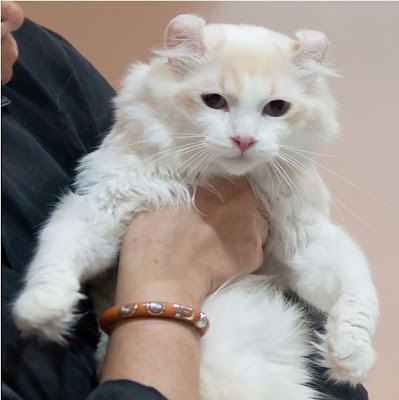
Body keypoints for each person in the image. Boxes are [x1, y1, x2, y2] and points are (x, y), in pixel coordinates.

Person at [1, 2, 369, 399]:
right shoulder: (140, 142)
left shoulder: (33, 53)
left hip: (272, 358)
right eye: (214, 100)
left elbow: (315, 244)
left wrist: (356, 314)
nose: (244, 135)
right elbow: (95, 213)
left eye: (275, 108)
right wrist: (61, 274)